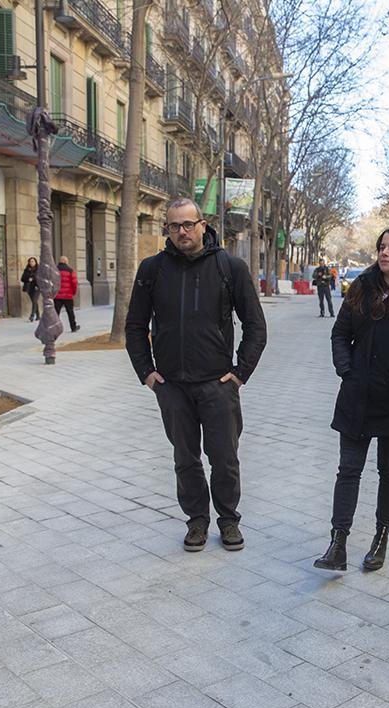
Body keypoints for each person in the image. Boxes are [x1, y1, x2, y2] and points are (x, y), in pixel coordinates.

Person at [125, 198, 267, 553]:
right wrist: (147, 372)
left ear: (203, 225)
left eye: (188, 224)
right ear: (167, 230)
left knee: (224, 457)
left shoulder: (229, 267)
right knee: (185, 458)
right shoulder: (152, 269)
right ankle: (196, 522)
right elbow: (134, 326)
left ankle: (228, 520)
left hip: (218, 385)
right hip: (172, 386)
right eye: (174, 226)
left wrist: (239, 373)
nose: (181, 232)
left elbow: (255, 326)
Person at [314, 228, 389, 573]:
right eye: (381, 247)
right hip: (357, 395)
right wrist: (346, 370)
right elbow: (340, 334)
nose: (385, 253)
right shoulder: (362, 287)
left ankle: (381, 538)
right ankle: (338, 543)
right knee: (348, 470)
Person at [54, 256, 80, 332]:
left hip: (57, 295)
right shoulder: (70, 270)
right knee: (70, 312)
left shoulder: (54, 270)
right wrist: (73, 292)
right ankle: (73, 327)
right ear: (66, 262)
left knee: (56, 312)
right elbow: (74, 283)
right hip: (68, 296)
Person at [21, 257, 40, 321]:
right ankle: (38, 316)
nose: (31, 263)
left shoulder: (39, 269)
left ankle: (32, 315)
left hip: (37, 287)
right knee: (34, 301)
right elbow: (22, 279)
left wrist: (35, 280)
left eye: (33, 261)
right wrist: (28, 279)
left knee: (34, 301)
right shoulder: (27, 269)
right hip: (29, 288)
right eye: (30, 261)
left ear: (35, 262)